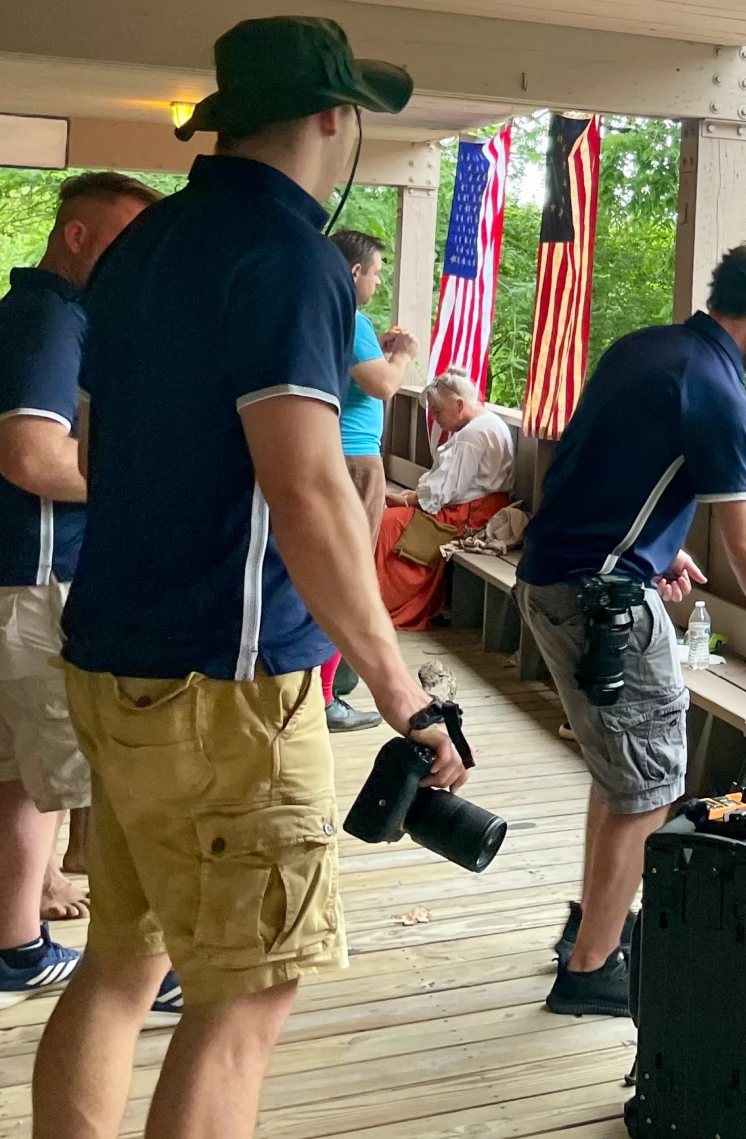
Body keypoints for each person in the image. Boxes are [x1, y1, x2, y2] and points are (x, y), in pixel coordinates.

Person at [33, 18, 468, 1139]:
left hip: (112, 659)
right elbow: (311, 489)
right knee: (246, 992)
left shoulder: (142, 248)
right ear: (337, 117)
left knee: (123, 959)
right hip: (221, 696)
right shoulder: (289, 257)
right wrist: (402, 695)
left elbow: (90, 449)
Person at [515, 233, 746, 1016]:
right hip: (604, 605)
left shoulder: (647, 349)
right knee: (648, 788)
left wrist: (656, 549)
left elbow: (593, 470)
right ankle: (593, 968)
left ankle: (593, 928)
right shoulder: (718, 388)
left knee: (623, 779)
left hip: (557, 578)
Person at [0, 172, 161, 993]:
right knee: (75, 770)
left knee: (22, 774)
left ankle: (16, 934)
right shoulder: (51, 318)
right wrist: (145, 477)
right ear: (75, 236)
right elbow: (30, 455)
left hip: (15, 580)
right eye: (124, 238)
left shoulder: (32, 313)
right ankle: (131, 963)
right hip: (36, 581)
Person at [321, 228, 420, 732]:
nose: (379, 283)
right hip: (357, 458)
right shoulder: (351, 316)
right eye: (377, 273)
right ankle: (327, 696)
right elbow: (381, 385)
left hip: (329, 452)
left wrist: (375, 348)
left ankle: (326, 686)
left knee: (330, 566)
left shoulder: (323, 314)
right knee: (350, 574)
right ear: (355, 272)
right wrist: (401, 354)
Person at [375, 369, 515, 630]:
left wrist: (405, 500)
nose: (436, 420)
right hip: (477, 504)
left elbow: (441, 494)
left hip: (470, 513)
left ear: (459, 405)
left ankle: (381, 602)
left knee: (383, 524)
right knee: (385, 520)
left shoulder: (471, 436)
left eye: (438, 411)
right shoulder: (485, 422)